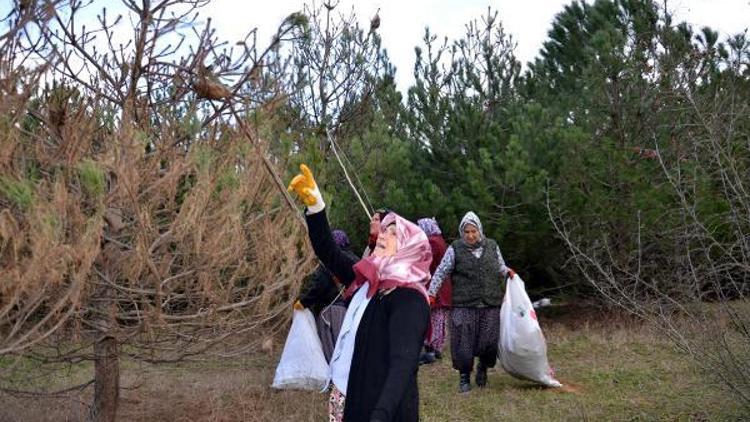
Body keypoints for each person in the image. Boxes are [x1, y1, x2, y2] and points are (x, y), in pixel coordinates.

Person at [288, 164, 431, 422]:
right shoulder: (368, 281)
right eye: (384, 229)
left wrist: (381, 414)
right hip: (347, 392)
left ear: (410, 249)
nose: (384, 235)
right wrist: (316, 206)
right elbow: (328, 251)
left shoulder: (409, 299)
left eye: (393, 233)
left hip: (378, 407)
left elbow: (403, 364)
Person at [427, 211, 515, 393]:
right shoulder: (455, 249)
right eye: (466, 232)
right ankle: (464, 377)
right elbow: (441, 271)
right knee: (463, 343)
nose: (470, 235)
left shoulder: (492, 246)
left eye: (473, 231)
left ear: (480, 230)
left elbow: (500, 266)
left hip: (490, 303)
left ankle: (483, 366)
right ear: (462, 232)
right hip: (463, 305)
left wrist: (508, 272)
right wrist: (431, 293)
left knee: (490, 343)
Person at [294, 229, 355, 363]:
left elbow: (319, 286)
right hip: (350, 311)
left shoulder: (331, 261)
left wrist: (304, 302)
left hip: (331, 311)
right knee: (346, 348)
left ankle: (334, 381)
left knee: (331, 350)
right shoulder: (354, 260)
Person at [417, 217, 451, 365]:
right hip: (442, 286)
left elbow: (425, 261)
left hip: (435, 286)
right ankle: (436, 349)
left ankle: (431, 349)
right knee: (438, 318)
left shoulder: (432, 242)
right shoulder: (439, 240)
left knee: (433, 318)